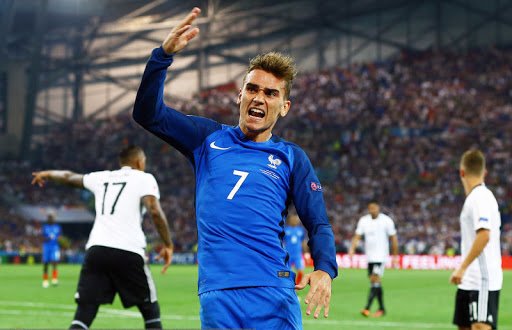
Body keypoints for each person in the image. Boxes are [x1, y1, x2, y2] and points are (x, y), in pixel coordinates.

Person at [132, 7, 338, 329]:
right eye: (253, 89)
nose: (259, 98)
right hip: (218, 296)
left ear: (284, 107)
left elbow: (318, 223)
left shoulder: (291, 158)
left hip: (272, 292)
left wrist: (325, 269)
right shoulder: (207, 138)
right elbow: (148, 114)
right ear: (240, 94)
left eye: (271, 93)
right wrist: (162, 57)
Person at [31, 145, 173, 330]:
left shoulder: (102, 177)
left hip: (96, 250)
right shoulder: (145, 178)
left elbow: (68, 177)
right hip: (128, 251)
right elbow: (154, 209)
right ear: (139, 162)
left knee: (84, 314)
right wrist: (168, 244)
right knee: (150, 311)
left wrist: (47, 174)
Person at [450, 149, 502, 330]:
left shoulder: (480, 197)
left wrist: (462, 267)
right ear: (484, 172)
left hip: (482, 279)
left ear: (462, 173)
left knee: (480, 327)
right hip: (469, 281)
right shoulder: (474, 198)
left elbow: (484, 235)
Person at [348, 200, 398, 318]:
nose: (372, 210)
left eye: (374, 208)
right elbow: (357, 236)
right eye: (370, 208)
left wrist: (395, 255)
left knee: (375, 279)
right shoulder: (364, 221)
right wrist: (352, 249)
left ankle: (367, 308)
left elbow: (393, 238)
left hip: (381, 256)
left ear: (378, 208)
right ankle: (382, 308)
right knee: (375, 282)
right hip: (370, 256)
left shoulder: (386, 220)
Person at [284, 213, 307, 285]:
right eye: (294, 219)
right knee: (285, 272)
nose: (296, 220)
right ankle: (287, 285)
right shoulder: (285, 230)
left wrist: (305, 251)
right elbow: (282, 242)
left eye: (297, 219)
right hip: (288, 254)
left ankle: (296, 286)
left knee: (300, 271)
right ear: (290, 220)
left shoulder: (301, 230)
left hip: (297, 254)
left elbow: (303, 241)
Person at [41, 210, 62, 288]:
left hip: (55, 247)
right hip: (46, 246)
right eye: (49, 217)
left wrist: (58, 239)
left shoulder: (57, 227)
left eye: (52, 217)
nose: (50, 219)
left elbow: (60, 236)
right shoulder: (45, 227)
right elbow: (42, 237)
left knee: (55, 262)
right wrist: (47, 238)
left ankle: (54, 279)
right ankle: (45, 280)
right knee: (46, 263)